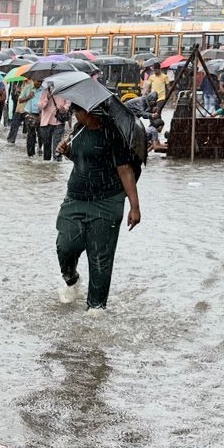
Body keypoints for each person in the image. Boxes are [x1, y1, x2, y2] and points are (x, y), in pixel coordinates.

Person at [55, 99, 143, 315]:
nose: (74, 114)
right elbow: (80, 158)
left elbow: (125, 170)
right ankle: (72, 280)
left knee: (100, 257)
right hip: (76, 198)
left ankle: (96, 307)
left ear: (90, 111)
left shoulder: (113, 134)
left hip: (107, 201)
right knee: (65, 246)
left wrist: (134, 206)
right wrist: (66, 151)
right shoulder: (79, 129)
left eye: (77, 111)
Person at [37, 84, 71, 162]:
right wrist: (47, 98)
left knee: (57, 146)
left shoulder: (64, 91)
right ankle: (47, 166)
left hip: (59, 121)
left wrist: (64, 108)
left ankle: (57, 164)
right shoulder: (46, 91)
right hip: (46, 122)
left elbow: (68, 103)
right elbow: (39, 106)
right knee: (47, 146)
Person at [10, 78, 36, 146]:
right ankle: (11, 142)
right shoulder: (21, 82)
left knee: (30, 129)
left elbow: (30, 98)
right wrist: (18, 92)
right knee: (14, 126)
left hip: (27, 110)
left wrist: (27, 96)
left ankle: (32, 145)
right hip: (19, 109)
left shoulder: (32, 85)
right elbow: (19, 98)